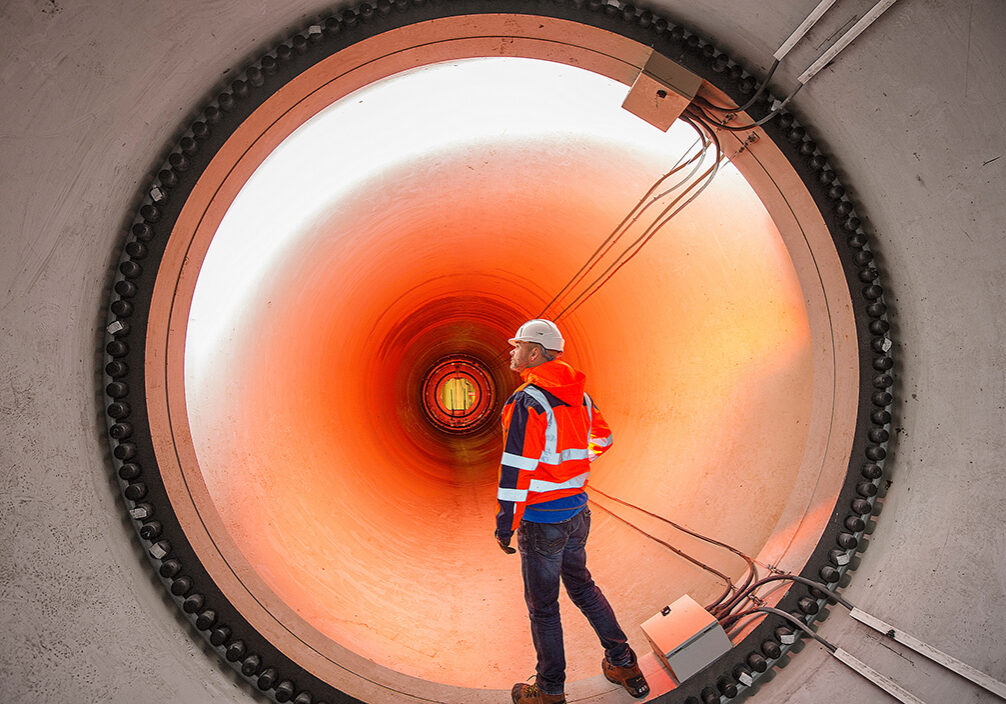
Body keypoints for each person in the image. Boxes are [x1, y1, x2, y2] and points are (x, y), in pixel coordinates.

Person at [495, 319, 649, 704]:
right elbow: (604, 439)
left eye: (518, 346)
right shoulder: (580, 397)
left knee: (544, 608)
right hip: (578, 514)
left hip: (543, 520)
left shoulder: (527, 402)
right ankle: (624, 663)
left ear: (534, 353)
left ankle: (549, 691)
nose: (512, 352)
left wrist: (505, 525)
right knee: (583, 587)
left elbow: (515, 471)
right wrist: (573, 470)